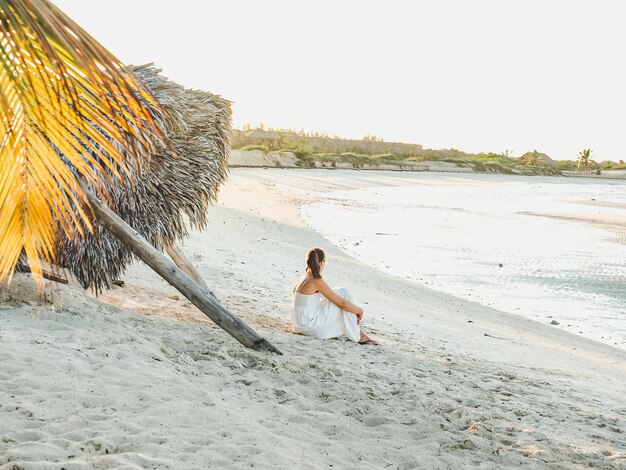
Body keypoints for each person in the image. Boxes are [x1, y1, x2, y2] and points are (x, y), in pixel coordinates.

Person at [291, 247, 378, 345]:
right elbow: (342, 303)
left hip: (298, 325)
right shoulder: (315, 281)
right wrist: (359, 311)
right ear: (321, 262)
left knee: (339, 292)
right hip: (308, 327)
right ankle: (359, 335)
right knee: (344, 293)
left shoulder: (303, 278)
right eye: (324, 261)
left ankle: (357, 331)